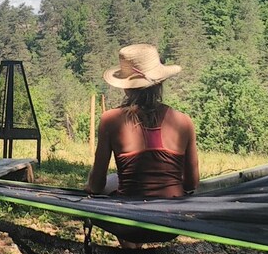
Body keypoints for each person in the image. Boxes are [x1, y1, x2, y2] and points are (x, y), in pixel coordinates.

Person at [85, 44, 199, 202]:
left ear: (126, 87)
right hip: (174, 216)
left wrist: (90, 183)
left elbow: (97, 185)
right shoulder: (184, 122)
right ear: (160, 82)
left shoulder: (110, 120)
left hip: (129, 219)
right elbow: (191, 184)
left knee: (112, 179)